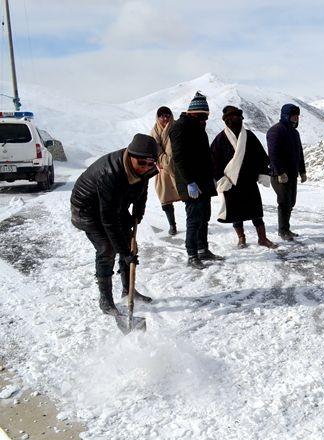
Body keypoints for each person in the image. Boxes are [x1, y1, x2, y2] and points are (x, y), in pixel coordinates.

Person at [70, 134, 158, 316]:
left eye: (150, 164)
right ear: (130, 155)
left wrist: (138, 212)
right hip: (87, 210)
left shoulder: (145, 167)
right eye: (141, 163)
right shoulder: (111, 173)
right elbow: (108, 219)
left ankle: (128, 290)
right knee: (107, 248)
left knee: (129, 243)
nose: (146, 168)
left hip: (114, 204)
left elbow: (143, 188)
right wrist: (124, 254)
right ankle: (106, 300)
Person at [211, 105, 277, 249]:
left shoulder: (249, 135)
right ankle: (241, 238)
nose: (238, 119)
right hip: (231, 181)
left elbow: (261, 155)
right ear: (227, 120)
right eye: (234, 117)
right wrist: (221, 178)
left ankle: (262, 238)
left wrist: (263, 172)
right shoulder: (220, 139)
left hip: (249, 180)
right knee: (236, 213)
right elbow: (213, 162)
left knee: (256, 212)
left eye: (239, 117)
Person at [170, 91, 224, 269]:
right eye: (203, 116)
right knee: (193, 218)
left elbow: (205, 156)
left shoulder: (198, 127)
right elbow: (179, 158)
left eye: (206, 117)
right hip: (191, 182)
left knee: (204, 217)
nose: (205, 120)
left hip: (204, 180)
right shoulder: (179, 127)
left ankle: (203, 249)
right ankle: (192, 254)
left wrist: (212, 176)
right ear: (194, 113)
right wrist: (189, 182)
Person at [267, 104, 307, 241]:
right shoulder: (275, 131)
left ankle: (286, 228)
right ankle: (282, 230)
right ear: (286, 115)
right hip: (279, 175)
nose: (296, 118)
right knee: (284, 202)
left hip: (292, 174)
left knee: (291, 202)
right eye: (293, 116)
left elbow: (299, 153)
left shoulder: (295, 133)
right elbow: (273, 154)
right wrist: (279, 172)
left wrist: (302, 171)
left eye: (297, 116)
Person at [150, 106, 180, 235]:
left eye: (167, 115)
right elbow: (153, 148)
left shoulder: (177, 128)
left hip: (178, 166)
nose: (165, 118)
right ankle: (172, 225)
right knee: (164, 198)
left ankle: (196, 223)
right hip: (162, 169)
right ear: (158, 118)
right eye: (162, 116)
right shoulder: (154, 132)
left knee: (188, 196)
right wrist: (162, 160)